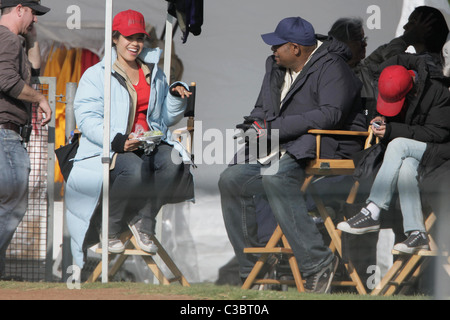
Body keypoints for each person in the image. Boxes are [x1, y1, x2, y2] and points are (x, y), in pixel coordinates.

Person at [219, 16, 367, 293]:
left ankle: (317, 263)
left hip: (325, 146)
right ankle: (254, 268)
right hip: (280, 146)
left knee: (276, 179)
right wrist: (253, 125)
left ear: (296, 48)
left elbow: (330, 115)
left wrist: (274, 129)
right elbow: (262, 109)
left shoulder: (334, 67)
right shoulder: (275, 66)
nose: (272, 50)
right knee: (231, 178)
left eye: (278, 45)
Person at [64, 9, 194, 268]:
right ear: (114, 38)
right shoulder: (96, 74)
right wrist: (116, 140)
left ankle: (143, 221)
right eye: (128, 37)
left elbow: (165, 119)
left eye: (140, 38)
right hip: (111, 146)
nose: (135, 43)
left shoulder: (154, 72)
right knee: (134, 169)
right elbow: (87, 117)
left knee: (175, 162)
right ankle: (110, 230)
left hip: (150, 143)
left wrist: (176, 97)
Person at [337, 59, 450, 253]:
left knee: (398, 144)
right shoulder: (391, 83)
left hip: (440, 151)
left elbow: (438, 134)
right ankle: (417, 233)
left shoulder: (436, 92)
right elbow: (390, 110)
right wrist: (382, 119)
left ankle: (372, 210)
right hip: (413, 152)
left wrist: (392, 130)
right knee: (406, 165)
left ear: (411, 90)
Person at [0, 0, 52, 277]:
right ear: (19, 9)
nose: (36, 20)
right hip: (4, 132)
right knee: (14, 201)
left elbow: (33, 71)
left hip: (7, 133)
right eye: (33, 13)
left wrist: (31, 37)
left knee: (7, 203)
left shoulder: (11, 40)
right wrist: (41, 98)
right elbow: (6, 80)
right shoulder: (6, 38)